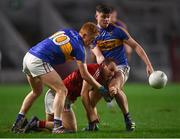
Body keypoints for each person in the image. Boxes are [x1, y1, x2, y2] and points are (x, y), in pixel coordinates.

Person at [11, 22, 109, 134]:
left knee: (36, 92)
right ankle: (57, 126)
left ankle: (18, 122)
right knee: (62, 90)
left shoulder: (68, 31)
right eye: (92, 39)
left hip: (29, 56)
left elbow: (53, 44)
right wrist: (100, 87)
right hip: (39, 60)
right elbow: (84, 75)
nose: (93, 42)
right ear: (85, 35)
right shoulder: (79, 48)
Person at [90, 4, 154, 131]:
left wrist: (149, 64)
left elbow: (135, 46)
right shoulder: (93, 34)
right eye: (103, 17)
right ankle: (92, 124)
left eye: (108, 17)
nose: (107, 20)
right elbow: (98, 55)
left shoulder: (118, 30)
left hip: (120, 67)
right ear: (96, 16)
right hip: (103, 68)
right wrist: (102, 70)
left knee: (114, 88)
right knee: (90, 98)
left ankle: (128, 119)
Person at [22, 58, 117, 133]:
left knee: (49, 129)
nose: (112, 74)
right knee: (70, 128)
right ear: (104, 66)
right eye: (111, 70)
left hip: (56, 96)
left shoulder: (101, 75)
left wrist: (109, 94)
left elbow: (94, 99)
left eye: (114, 72)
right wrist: (92, 115)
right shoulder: (94, 71)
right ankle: (35, 123)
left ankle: (32, 124)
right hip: (60, 97)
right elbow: (84, 95)